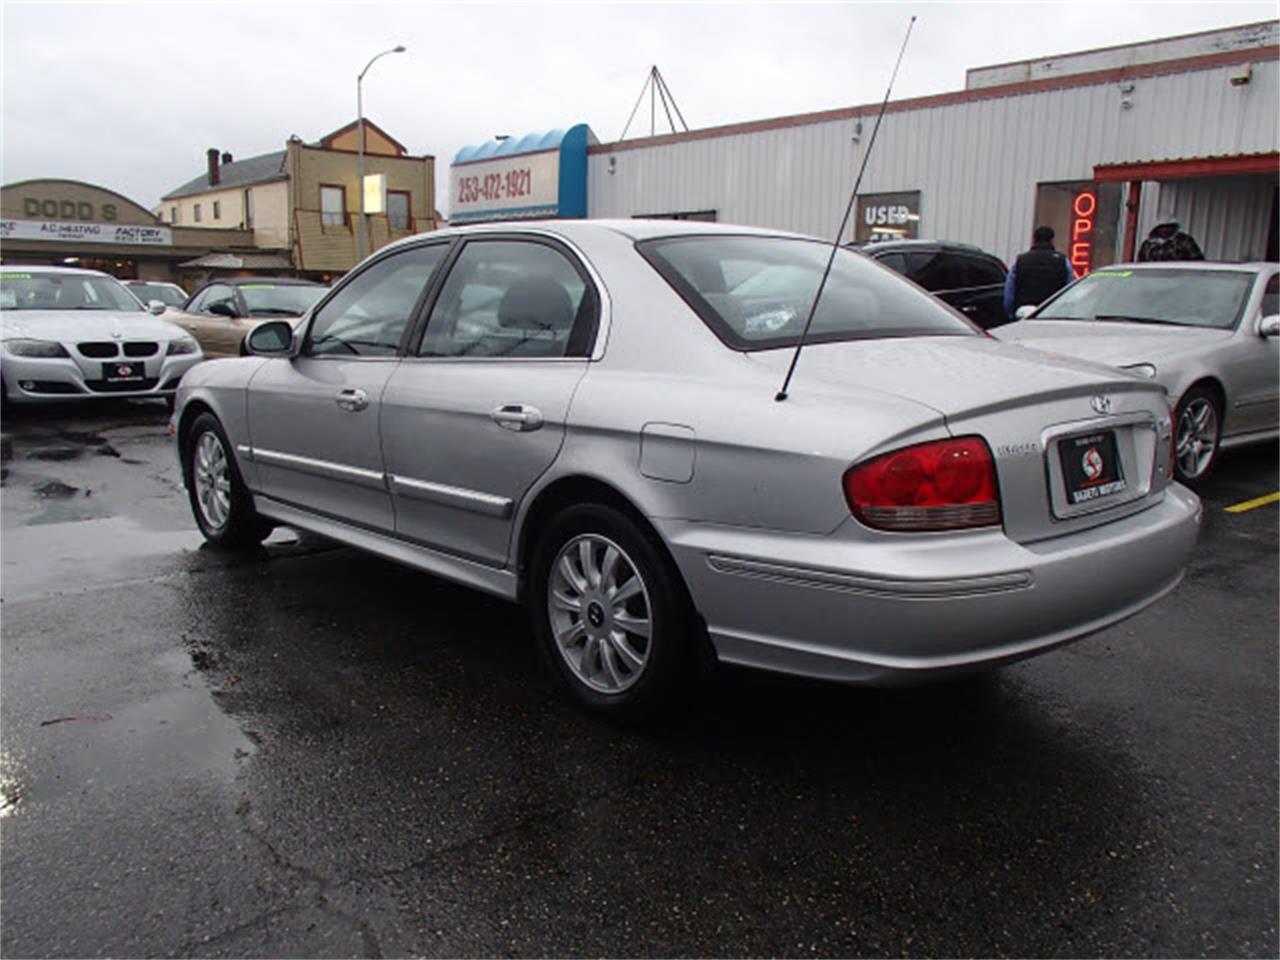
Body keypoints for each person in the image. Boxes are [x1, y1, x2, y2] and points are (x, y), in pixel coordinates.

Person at [1003, 225, 1075, 318]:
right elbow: (1069, 289)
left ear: (1034, 240)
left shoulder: (1021, 260)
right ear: (1052, 240)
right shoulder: (1063, 261)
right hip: (1051, 311)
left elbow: (1009, 291)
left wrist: (1010, 313)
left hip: (1025, 311)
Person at [1137, 218, 1205, 262]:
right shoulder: (1148, 245)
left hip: (1179, 278)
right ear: (1157, 229)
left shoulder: (1185, 241)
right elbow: (1141, 263)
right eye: (1163, 227)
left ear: (1174, 227)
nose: (1166, 229)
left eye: (1169, 226)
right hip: (1153, 279)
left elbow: (1197, 261)